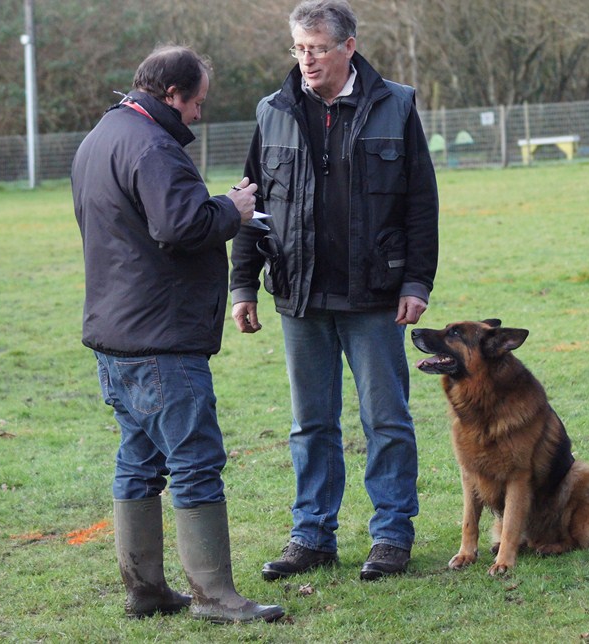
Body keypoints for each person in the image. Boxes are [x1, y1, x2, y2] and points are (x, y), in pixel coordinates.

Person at [71, 45, 284, 624]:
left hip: (116, 334)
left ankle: (145, 590)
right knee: (194, 460)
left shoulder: (102, 136)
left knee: (138, 461)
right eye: (196, 102)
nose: (197, 114)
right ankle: (216, 596)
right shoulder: (153, 145)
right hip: (161, 338)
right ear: (172, 95)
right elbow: (180, 225)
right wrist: (232, 208)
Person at [230, 0, 439, 582]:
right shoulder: (272, 110)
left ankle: (392, 536)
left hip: (374, 296)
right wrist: (243, 284)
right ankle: (311, 537)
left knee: (387, 420)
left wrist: (417, 281)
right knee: (310, 424)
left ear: (349, 46)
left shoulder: (395, 105)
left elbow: (421, 204)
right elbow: (251, 204)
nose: (307, 59)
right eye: (299, 48)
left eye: (318, 48)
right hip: (298, 297)